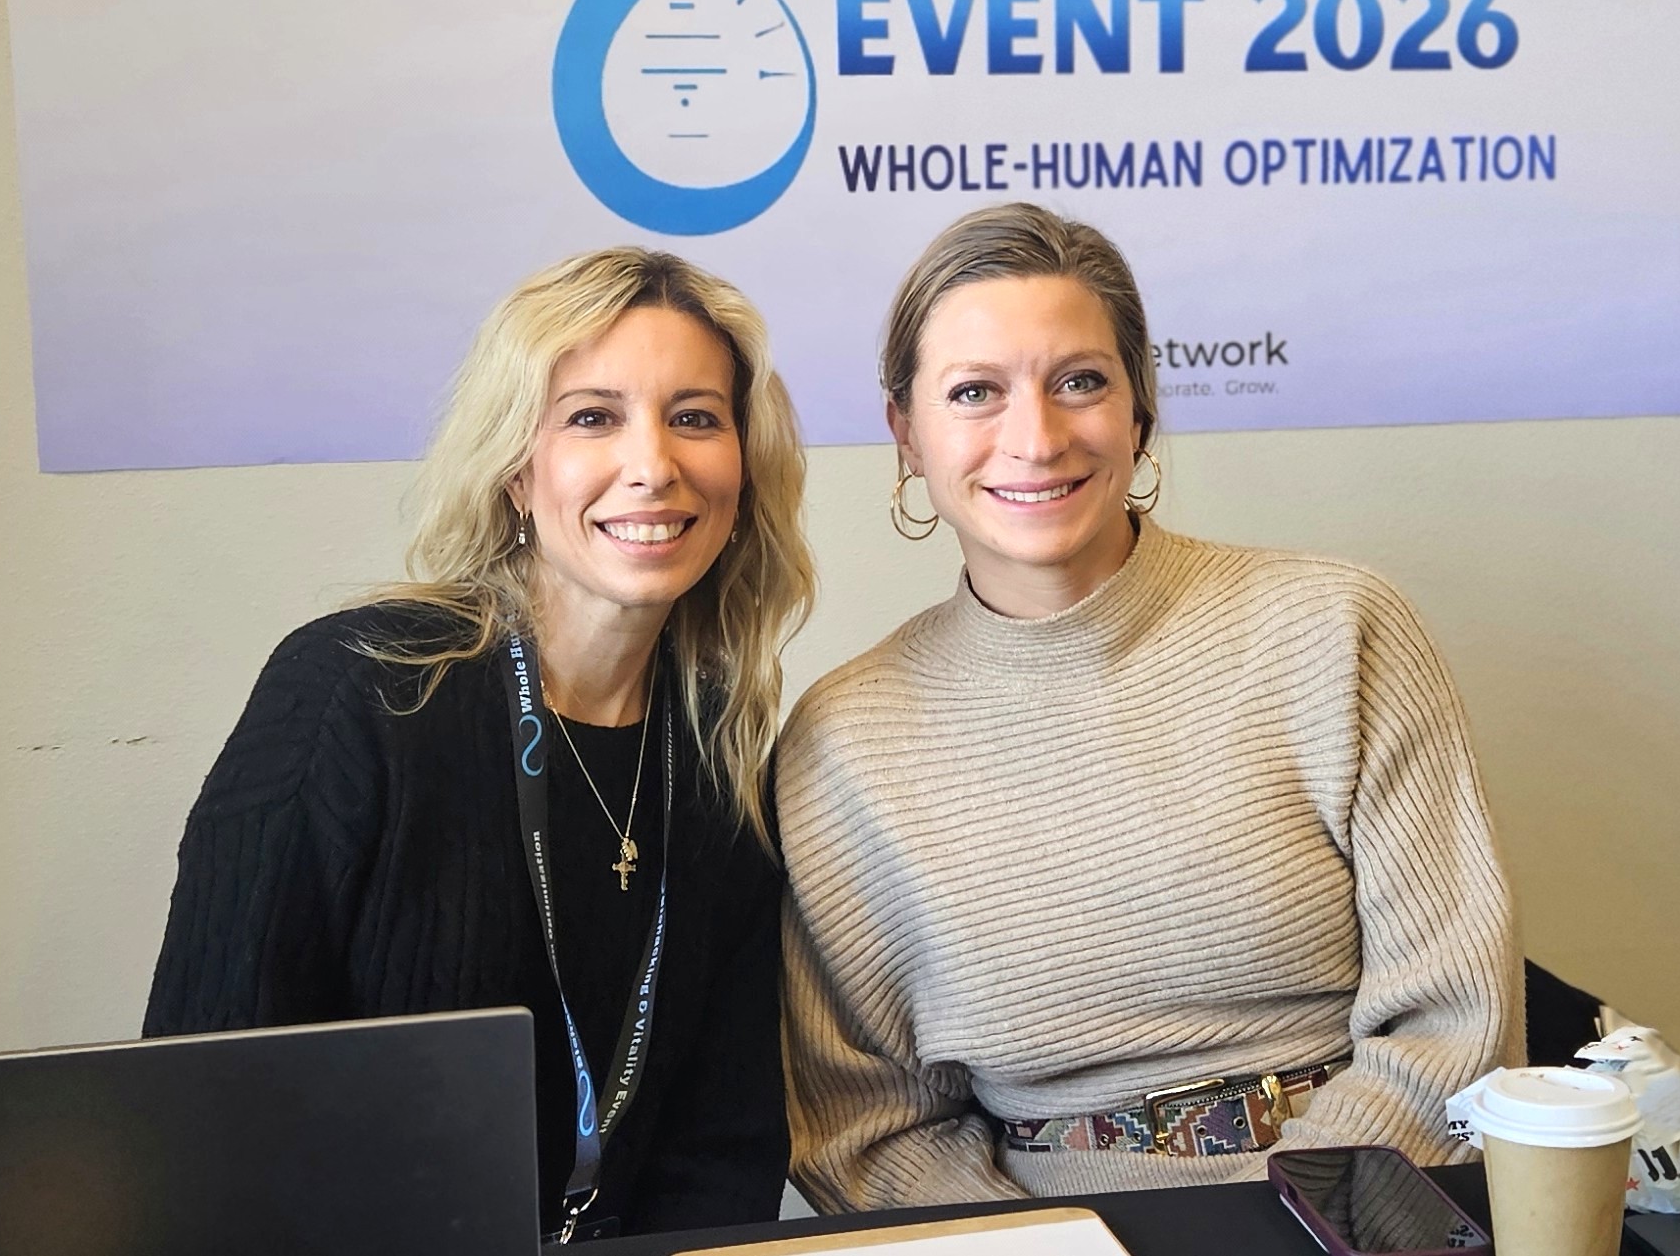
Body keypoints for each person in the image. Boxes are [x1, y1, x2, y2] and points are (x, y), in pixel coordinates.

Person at [779, 204, 1520, 1209]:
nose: (1036, 438)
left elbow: (1452, 1024)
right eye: (974, 392)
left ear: (1139, 411)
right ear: (906, 434)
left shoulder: (1336, 628)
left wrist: (1289, 1225)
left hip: (1348, 1219)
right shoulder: (841, 742)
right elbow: (865, 1130)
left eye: (1079, 381)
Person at [144, 249, 813, 1241]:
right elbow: (199, 1111)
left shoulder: (721, 750)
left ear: (744, 468)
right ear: (515, 471)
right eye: (592, 417)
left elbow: (723, 1147)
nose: (653, 465)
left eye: (694, 417)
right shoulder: (353, 692)